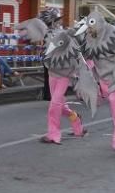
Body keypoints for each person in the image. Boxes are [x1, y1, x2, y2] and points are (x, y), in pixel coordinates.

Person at [17, 11, 87, 144]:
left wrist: (80, 74)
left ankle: (53, 135)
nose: (57, 23)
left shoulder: (63, 35)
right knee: (58, 105)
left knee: (54, 105)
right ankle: (76, 121)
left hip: (64, 75)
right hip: (52, 74)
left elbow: (76, 53)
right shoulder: (47, 35)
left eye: (54, 21)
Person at [77, 11, 115, 152]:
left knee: (113, 99)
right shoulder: (89, 37)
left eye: (91, 26)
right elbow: (86, 55)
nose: (89, 29)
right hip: (103, 76)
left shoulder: (114, 33)